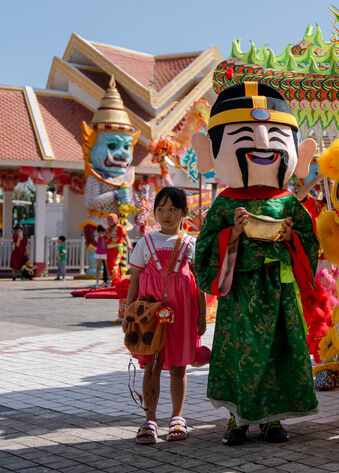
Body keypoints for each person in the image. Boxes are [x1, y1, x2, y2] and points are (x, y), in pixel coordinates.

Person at [192, 81, 319, 446]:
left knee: (279, 354)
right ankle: (238, 419)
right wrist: (231, 234)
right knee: (240, 354)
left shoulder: (289, 201)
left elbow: (310, 244)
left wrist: (290, 237)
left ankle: (273, 420)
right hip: (240, 295)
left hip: (279, 290)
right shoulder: (224, 203)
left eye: (275, 134)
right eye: (246, 134)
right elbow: (204, 252)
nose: (263, 143)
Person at [122, 187, 206, 445]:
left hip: (182, 315)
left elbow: (200, 284)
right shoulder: (144, 243)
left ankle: (177, 417)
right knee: (152, 364)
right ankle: (149, 419)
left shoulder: (192, 244)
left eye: (172, 209)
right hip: (149, 317)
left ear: (183, 213)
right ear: (154, 212)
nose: (166, 215)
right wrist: (128, 314)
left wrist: (201, 317)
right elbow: (134, 281)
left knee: (179, 367)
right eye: (161, 209)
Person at [105, 213, 131, 283]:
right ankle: (116, 281)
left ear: (116, 220)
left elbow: (125, 236)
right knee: (110, 265)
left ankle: (115, 282)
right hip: (109, 249)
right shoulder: (108, 229)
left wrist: (129, 244)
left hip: (116, 249)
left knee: (114, 264)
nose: (109, 221)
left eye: (111, 219)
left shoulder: (120, 227)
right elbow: (105, 237)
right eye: (108, 219)